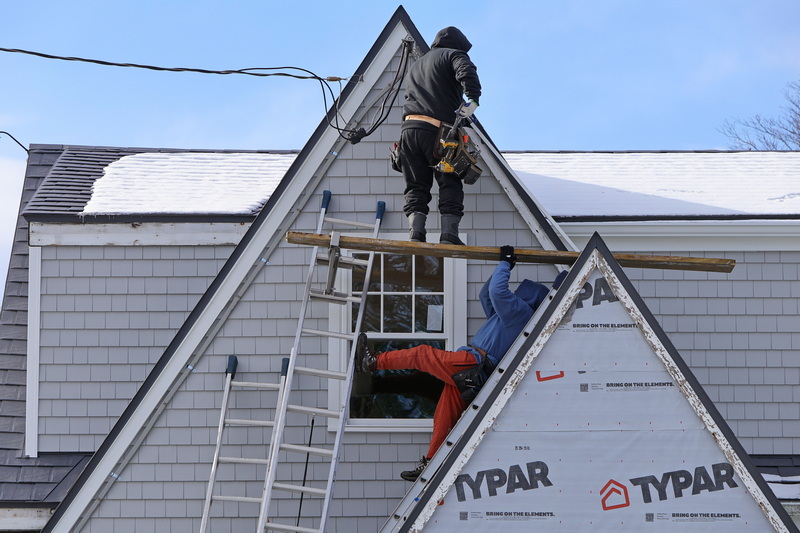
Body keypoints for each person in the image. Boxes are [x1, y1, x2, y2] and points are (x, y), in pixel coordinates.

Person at [355, 246, 565, 482]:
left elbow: (498, 292)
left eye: (518, 293)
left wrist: (505, 264)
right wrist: (505, 266)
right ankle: (431, 463)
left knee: (422, 354)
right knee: (444, 414)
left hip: (473, 364)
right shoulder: (508, 317)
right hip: (475, 373)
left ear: (526, 298)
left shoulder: (521, 314)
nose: (513, 295)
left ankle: (373, 362)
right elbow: (487, 294)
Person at [400, 26, 482, 245]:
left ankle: (416, 234)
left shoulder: (417, 65)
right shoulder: (454, 54)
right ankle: (449, 235)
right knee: (450, 181)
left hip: (409, 131)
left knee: (416, 184)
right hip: (438, 132)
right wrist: (473, 99)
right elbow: (467, 73)